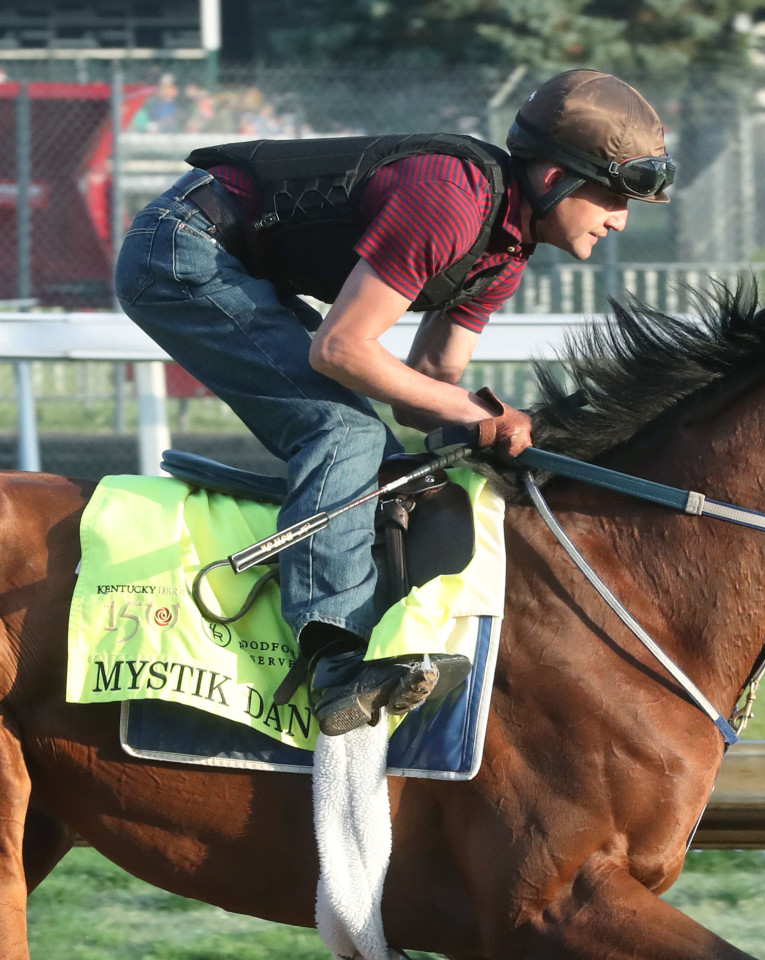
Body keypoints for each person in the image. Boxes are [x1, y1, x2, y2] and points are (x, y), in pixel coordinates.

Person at [114, 69, 675, 737]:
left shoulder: (506, 255)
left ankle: (370, 637)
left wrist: (524, 427)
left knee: (389, 460)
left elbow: (429, 384)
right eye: (612, 197)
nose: (620, 220)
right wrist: (477, 413)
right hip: (180, 250)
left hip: (232, 260)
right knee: (342, 433)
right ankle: (333, 664)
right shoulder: (451, 202)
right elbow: (341, 349)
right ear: (553, 179)